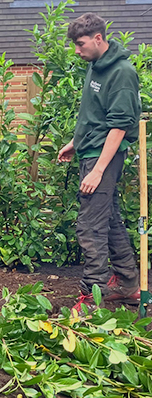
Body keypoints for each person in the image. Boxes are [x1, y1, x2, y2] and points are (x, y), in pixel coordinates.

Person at [58, 13, 141, 310]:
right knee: (109, 219)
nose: (76, 51)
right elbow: (94, 116)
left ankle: (92, 298)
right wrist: (75, 142)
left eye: (80, 44)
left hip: (103, 158)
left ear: (98, 38)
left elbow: (119, 126)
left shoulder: (121, 72)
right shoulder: (96, 66)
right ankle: (129, 284)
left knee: (89, 227)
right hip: (90, 151)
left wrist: (98, 170)